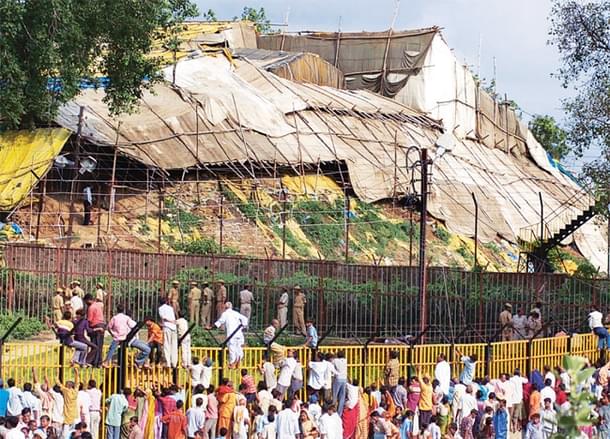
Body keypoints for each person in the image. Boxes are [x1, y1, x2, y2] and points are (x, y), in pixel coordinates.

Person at [214, 302, 248, 369]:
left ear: (225, 307)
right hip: (239, 334)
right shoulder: (236, 313)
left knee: (232, 349)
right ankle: (238, 363)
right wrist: (242, 326)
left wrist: (211, 327)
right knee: (239, 348)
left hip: (231, 334)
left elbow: (220, 321)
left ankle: (232, 364)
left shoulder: (225, 314)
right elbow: (245, 319)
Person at [84, 294, 104, 367]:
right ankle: (98, 362)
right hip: (101, 325)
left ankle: (94, 362)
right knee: (99, 345)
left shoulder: (91, 308)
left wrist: (86, 327)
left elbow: (89, 319)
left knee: (95, 345)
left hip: (95, 326)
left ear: (88, 300)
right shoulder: (97, 305)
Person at [158, 298, 178, 369]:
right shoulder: (170, 308)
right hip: (174, 327)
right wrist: (173, 322)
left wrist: (167, 323)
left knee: (167, 344)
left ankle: (168, 363)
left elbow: (164, 318)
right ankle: (174, 363)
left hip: (167, 327)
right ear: (166, 301)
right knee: (174, 346)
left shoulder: (160, 308)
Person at [332, 350, 348, 415]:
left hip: (338, 378)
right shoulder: (345, 360)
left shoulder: (335, 360)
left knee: (334, 395)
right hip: (344, 379)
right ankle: (339, 413)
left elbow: (332, 364)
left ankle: (333, 409)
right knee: (342, 397)